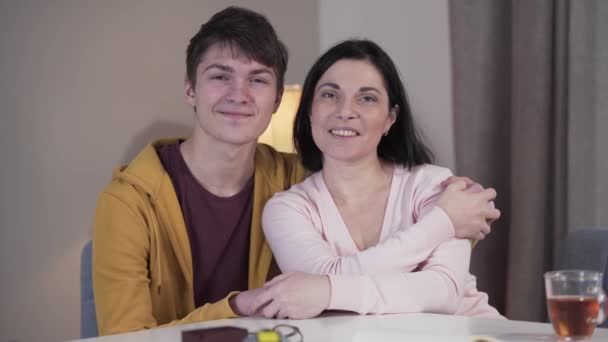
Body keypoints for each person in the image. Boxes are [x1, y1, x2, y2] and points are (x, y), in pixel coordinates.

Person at [93, 7, 495, 335]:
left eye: (258, 79)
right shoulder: (128, 203)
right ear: (190, 90)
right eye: (220, 76)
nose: (239, 94)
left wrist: (453, 211)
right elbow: (126, 339)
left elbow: (413, 263)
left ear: (276, 100)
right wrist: (234, 305)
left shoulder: (293, 175)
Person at [260, 39, 503, 319]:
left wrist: (328, 290)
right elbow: (317, 293)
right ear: (309, 111)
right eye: (329, 95)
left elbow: (443, 293)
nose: (345, 111)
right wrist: (443, 222)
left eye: (367, 98)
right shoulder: (287, 209)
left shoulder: (435, 187)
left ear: (390, 118)